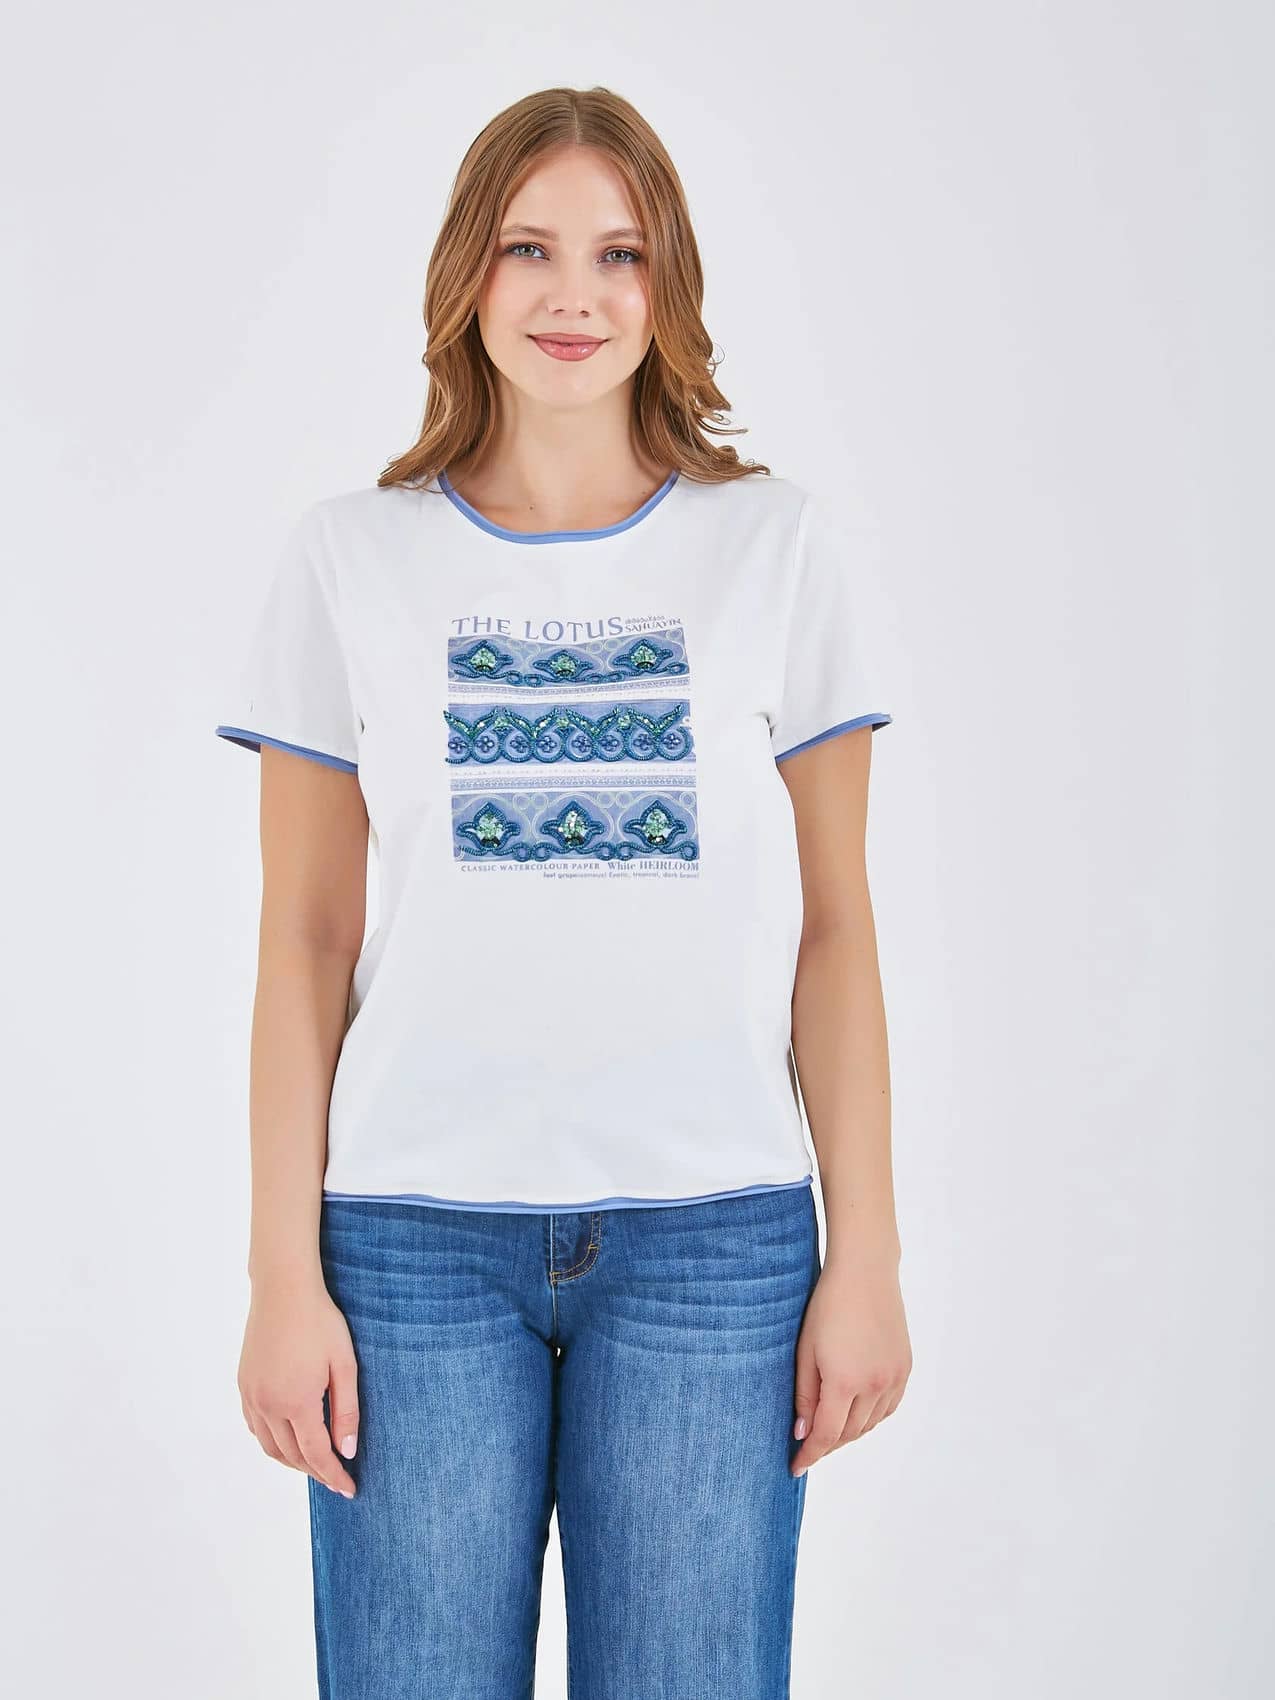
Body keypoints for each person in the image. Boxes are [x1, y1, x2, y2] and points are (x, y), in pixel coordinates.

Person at [215, 85, 912, 1700]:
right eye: (528, 248)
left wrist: (867, 1254)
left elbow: (837, 928)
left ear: (669, 286)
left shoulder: (775, 549)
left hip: (716, 1247)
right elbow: (303, 941)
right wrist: (280, 1275)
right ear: (467, 271)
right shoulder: (350, 559)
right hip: (408, 1249)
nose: (573, 294)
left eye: (620, 253)